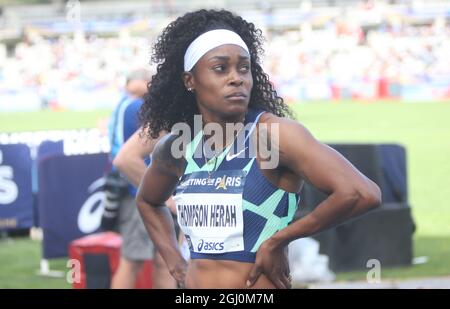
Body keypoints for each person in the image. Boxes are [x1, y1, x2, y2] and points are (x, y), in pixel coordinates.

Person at [135, 9, 381, 289]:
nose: (236, 78)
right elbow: (148, 201)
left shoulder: (273, 136)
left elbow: (362, 193)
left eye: (243, 67)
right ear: (189, 81)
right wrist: (175, 261)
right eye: (220, 68)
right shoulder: (179, 145)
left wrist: (280, 239)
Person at [106, 69, 175, 289]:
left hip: (134, 188)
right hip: (138, 190)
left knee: (164, 261)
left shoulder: (122, 104)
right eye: (146, 81)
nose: (150, 85)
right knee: (133, 260)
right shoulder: (136, 106)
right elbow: (130, 155)